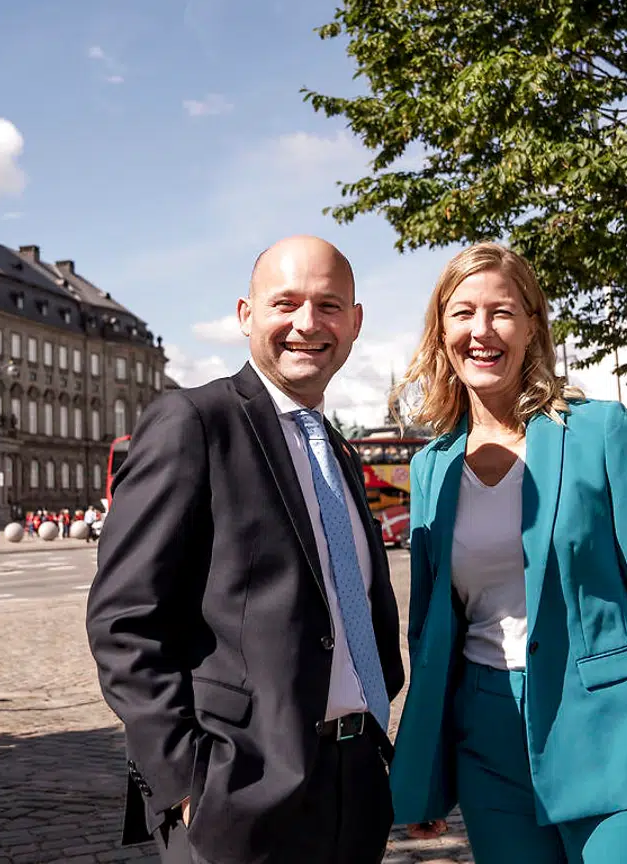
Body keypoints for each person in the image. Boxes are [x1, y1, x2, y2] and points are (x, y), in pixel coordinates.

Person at [390, 243, 627, 863]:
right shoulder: (430, 467)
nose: (481, 330)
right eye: (463, 313)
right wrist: (425, 771)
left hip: (616, 734)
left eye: (501, 312)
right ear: (441, 332)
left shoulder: (600, 431)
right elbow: (431, 634)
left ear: (531, 326)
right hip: (488, 746)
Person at [87, 236, 404, 864]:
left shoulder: (337, 450)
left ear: (355, 321)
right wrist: (185, 784)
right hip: (237, 797)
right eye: (285, 303)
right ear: (245, 314)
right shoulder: (193, 422)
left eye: (329, 306)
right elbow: (123, 620)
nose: (307, 323)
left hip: (355, 784)